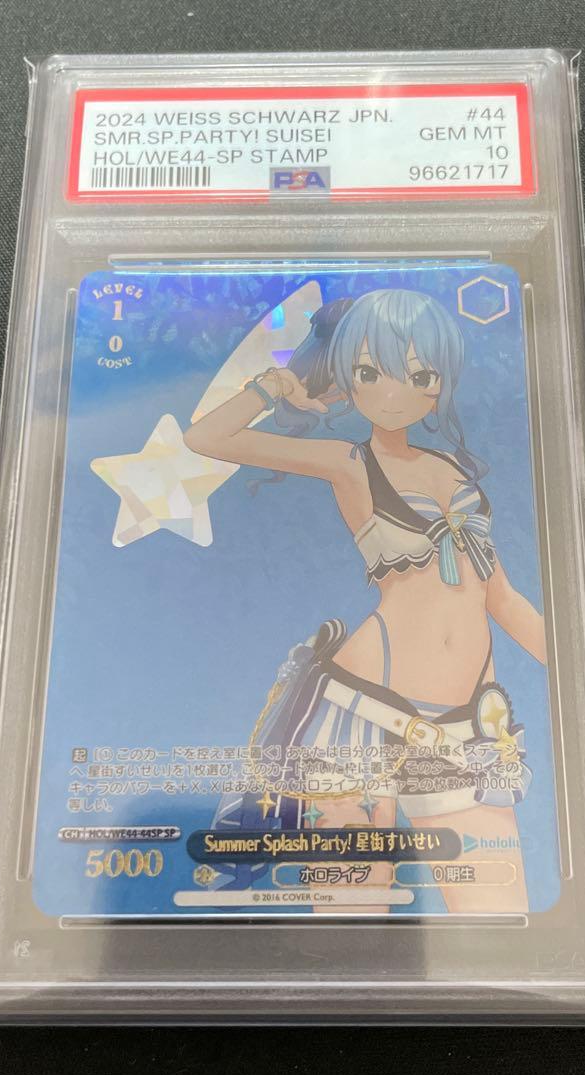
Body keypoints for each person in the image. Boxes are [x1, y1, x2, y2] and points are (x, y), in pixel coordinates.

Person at [184, 287, 545, 912]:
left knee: (500, 917)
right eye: (371, 373)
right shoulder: (349, 462)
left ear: (440, 381)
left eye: (419, 375)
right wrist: (277, 387)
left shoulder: (455, 472)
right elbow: (206, 438)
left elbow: (504, 597)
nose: (394, 392)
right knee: (351, 919)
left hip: (464, 725)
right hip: (360, 713)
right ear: (348, 377)